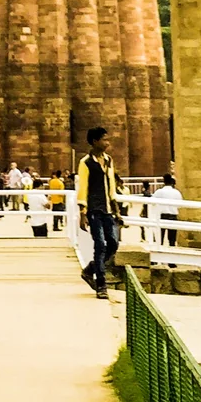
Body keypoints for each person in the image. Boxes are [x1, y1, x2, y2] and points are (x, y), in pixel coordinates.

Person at [78, 126, 121, 300]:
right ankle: (101, 284)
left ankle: (90, 269)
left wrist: (116, 209)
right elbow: (83, 187)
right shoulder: (86, 162)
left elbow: (111, 186)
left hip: (108, 209)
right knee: (100, 245)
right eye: (104, 139)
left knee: (113, 243)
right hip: (94, 209)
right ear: (95, 141)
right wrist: (82, 212)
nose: (107, 142)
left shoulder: (109, 160)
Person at [151, 173, 183, 249]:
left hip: (162, 215)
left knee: (160, 238)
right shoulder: (176, 192)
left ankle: (159, 253)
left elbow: (152, 202)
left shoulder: (159, 192)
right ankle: (171, 257)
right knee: (172, 239)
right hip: (173, 215)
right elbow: (180, 205)